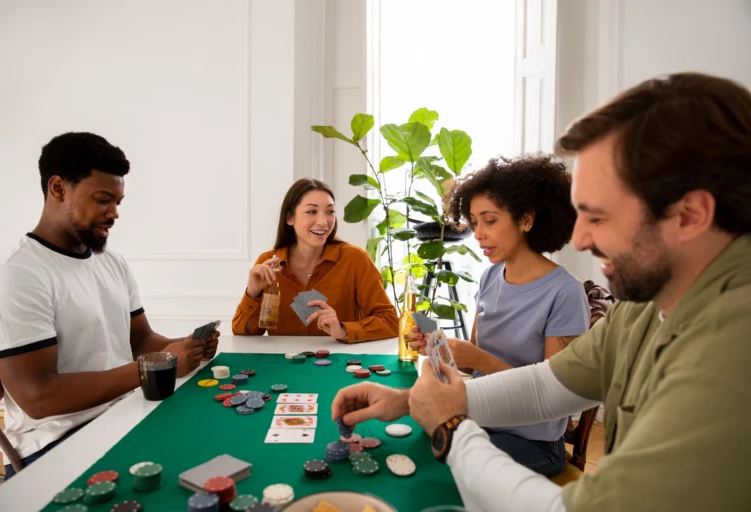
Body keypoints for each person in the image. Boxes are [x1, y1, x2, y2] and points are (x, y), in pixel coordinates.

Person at [332, 72, 751, 511]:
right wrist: (412, 401)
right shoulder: (645, 307)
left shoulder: (735, 342)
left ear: (690, 215)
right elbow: (545, 387)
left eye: (599, 215)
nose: (582, 238)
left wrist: (452, 428)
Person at [0, 132, 219, 479]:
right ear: (59, 188)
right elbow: (39, 397)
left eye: (118, 202)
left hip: (125, 414)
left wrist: (187, 346)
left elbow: (141, 341)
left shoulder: (112, 262)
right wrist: (153, 368)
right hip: (56, 443)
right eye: (103, 200)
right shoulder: (15, 275)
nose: (114, 213)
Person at [411, 155, 589, 477]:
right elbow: (471, 362)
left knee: (444, 467)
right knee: (414, 444)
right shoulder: (490, 277)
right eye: (475, 222)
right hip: (482, 419)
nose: (478, 234)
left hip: (534, 442)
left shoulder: (565, 293)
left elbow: (554, 397)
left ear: (526, 220)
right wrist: (440, 347)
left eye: (490, 221)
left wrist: (478, 359)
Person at [232, 178, 398, 342]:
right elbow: (243, 333)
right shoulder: (268, 262)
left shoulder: (355, 259)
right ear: (290, 218)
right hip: (283, 364)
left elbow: (390, 321)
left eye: (330, 211)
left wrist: (343, 330)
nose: (323, 222)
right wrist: (252, 292)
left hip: (339, 364)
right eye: (311, 212)